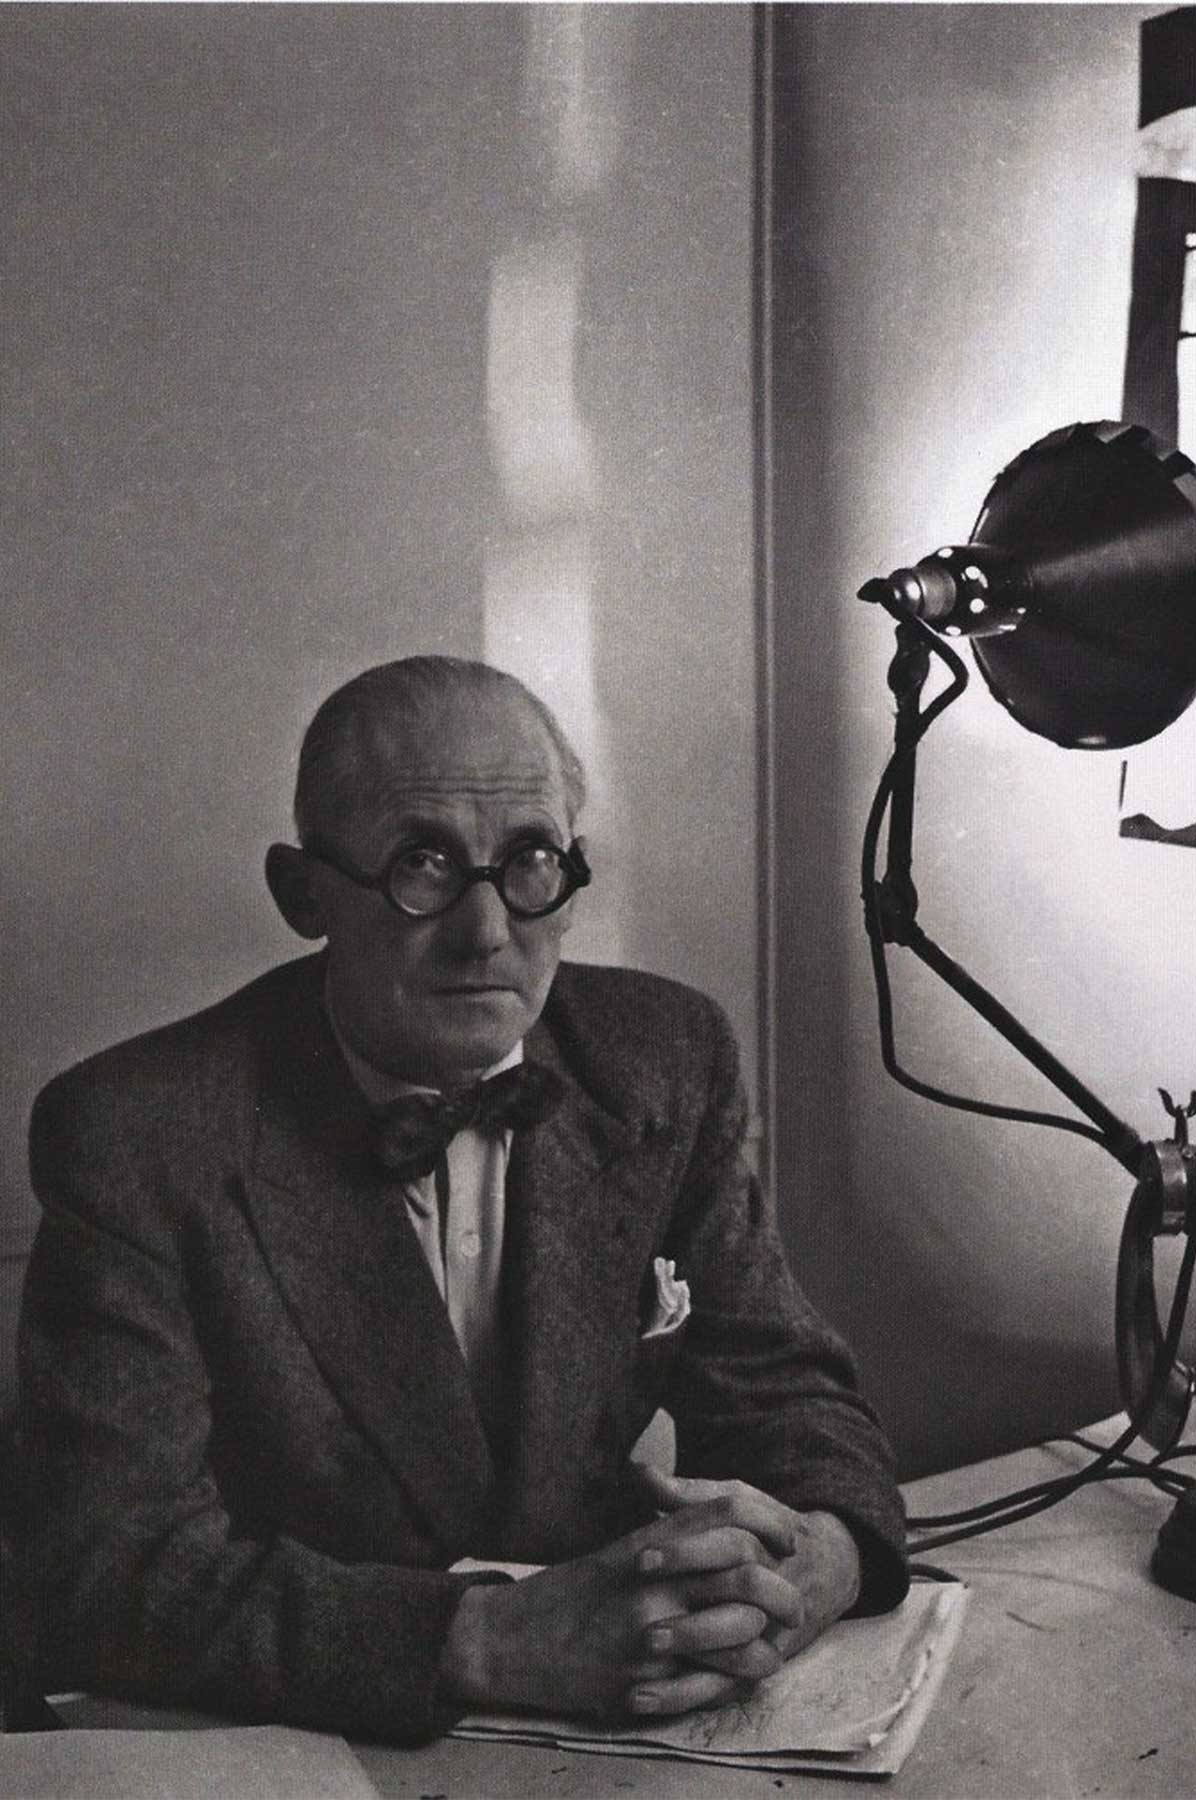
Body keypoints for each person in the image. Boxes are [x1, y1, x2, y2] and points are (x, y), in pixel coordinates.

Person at [15, 655, 908, 1743]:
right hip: (291, 1745)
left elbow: (784, 1389)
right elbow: (104, 1571)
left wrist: (820, 1557)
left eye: (531, 861)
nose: (488, 931)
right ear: (304, 894)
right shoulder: (137, 1133)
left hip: (617, 1736)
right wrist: (484, 1641)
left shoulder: (665, 1056)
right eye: (423, 863)